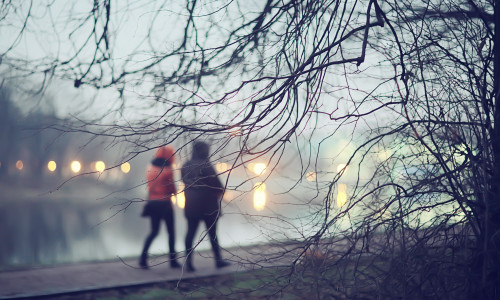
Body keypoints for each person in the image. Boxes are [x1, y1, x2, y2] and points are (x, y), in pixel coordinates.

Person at [181, 141, 230, 272]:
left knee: (190, 234)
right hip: (209, 206)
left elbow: (184, 181)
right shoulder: (207, 165)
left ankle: (189, 263)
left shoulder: (185, 166)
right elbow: (219, 186)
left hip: (192, 206)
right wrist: (220, 193)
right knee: (212, 234)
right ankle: (218, 261)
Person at [139, 145, 181, 269]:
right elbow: (172, 188)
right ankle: (173, 261)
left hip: (152, 202)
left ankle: (143, 259)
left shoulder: (149, 167)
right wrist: (176, 192)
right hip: (165, 203)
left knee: (154, 231)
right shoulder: (168, 170)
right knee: (171, 232)